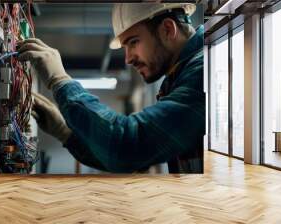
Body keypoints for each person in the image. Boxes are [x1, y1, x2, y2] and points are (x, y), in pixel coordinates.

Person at [17, 3, 205, 173]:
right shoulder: (176, 79)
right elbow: (127, 160)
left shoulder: (202, 74)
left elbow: (127, 149)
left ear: (167, 29)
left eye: (133, 42)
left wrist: (60, 81)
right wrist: (65, 133)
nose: (128, 59)